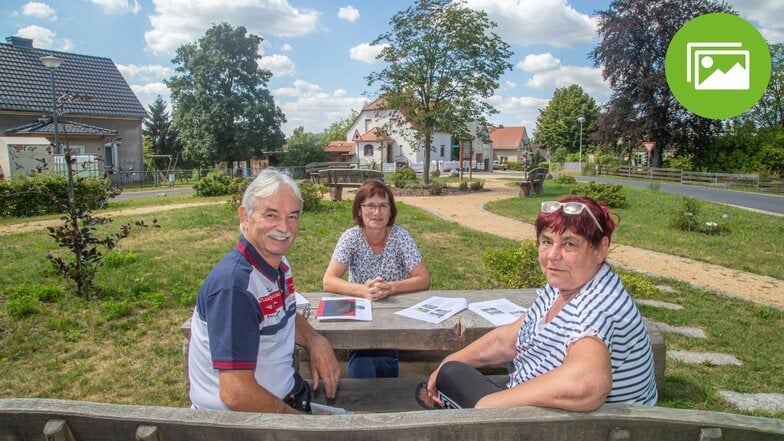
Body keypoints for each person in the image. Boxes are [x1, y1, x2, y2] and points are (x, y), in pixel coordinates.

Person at [417, 195, 657, 411]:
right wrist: (448, 360)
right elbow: (507, 340)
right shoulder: (563, 287)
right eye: (546, 241)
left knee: (452, 380)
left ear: (600, 249)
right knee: (452, 371)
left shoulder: (597, 307)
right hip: (543, 409)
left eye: (569, 244)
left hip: (581, 428)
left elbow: (587, 384)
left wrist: (487, 406)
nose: (552, 255)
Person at [188, 168, 340, 414]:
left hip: (283, 400)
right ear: (244, 216)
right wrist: (304, 425)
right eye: (271, 214)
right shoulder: (235, 288)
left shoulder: (279, 264)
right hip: (245, 423)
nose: (284, 227)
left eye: (293, 216)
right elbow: (236, 394)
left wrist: (314, 339)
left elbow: (282, 313)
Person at [323, 178, 430, 378]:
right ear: (359, 210)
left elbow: (423, 278)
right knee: (361, 360)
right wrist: (362, 291)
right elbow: (328, 280)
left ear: (391, 211)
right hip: (359, 315)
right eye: (370, 205)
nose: (377, 212)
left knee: (385, 359)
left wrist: (389, 288)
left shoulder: (401, 237)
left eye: (383, 206)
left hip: (391, 312)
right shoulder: (351, 237)